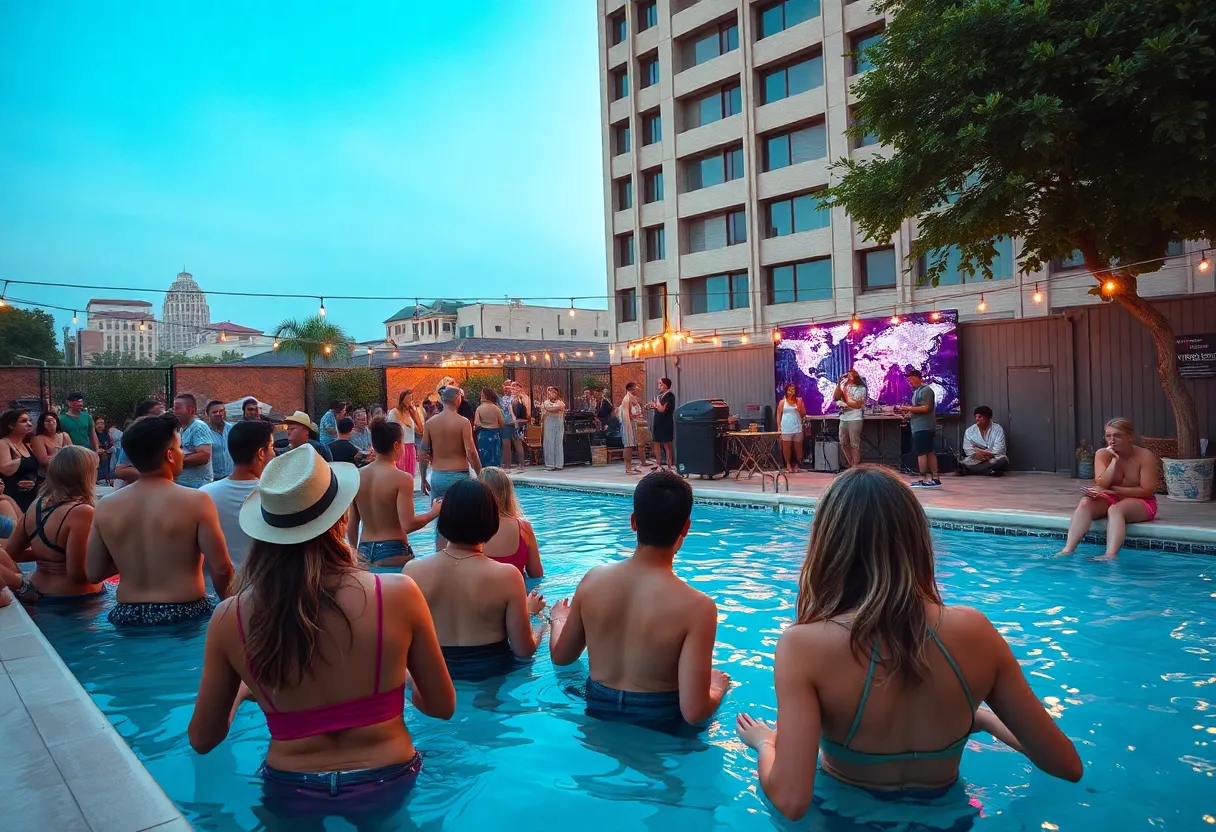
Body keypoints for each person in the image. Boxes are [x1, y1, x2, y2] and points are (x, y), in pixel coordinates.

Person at [734, 466, 1082, 819]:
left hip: (846, 821)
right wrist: (985, 719)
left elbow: (791, 801)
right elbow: (1066, 765)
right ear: (917, 539)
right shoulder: (976, 631)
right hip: (950, 822)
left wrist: (764, 742)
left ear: (828, 544)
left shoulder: (804, 645)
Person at [188, 445, 455, 809]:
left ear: (267, 527)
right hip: (387, 775)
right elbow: (441, 707)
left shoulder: (228, 617)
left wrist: (242, 690)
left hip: (290, 785)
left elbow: (203, 739)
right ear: (342, 517)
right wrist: (402, 676)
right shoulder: (397, 593)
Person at [549, 471, 730, 731]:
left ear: (633, 521)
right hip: (661, 725)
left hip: (596, 711)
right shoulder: (698, 607)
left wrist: (559, 619)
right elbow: (694, 712)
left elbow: (562, 658)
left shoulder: (593, 581)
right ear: (686, 527)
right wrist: (715, 687)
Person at [86, 413, 235, 625]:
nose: (183, 453)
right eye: (180, 447)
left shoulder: (106, 505)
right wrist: (230, 612)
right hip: (185, 614)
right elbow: (222, 568)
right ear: (170, 455)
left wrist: (129, 556)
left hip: (126, 616)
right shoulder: (195, 501)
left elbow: (94, 573)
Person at [402, 478, 545, 680]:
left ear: (444, 517)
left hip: (434, 676)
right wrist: (542, 626)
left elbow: (406, 645)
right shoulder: (508, 576)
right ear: (491, 521)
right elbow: (524, 651)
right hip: (492, 676)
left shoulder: (413, 571)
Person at [4, 446, 104, 603]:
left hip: (38, 589)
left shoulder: (36, 506)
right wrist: (118, 562)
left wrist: (50, 557)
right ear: (86, 475)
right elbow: (79, 576)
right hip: (75, 601)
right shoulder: (82, 512)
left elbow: (11, 553)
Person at [1058, 418, 1158, 560]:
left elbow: (1147, 491)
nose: (1112, 440)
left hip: (1142, 501)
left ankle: (1110, 555)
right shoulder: (1102, 454)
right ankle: (1067, 550)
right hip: (1113, 497)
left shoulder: (1145, 456)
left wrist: (1112, 492)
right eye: (1108, 436)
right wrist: (1113, 461)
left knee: (1115, 509)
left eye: (1117, 435)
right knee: (1085, 502)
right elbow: (1102, 483)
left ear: (1130, 437)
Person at [348, 420, 440, 568]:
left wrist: (353, 555)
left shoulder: (357, 476)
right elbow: (408, 524)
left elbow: (352, 524)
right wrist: (434, 512)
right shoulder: (402, 479)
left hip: (363, 550)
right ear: (396, 445)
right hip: (393, 549)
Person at [201, 420, 275, 573]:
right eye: (272, 448)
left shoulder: (205, 495)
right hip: (263, 588)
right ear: (261, 453)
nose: (274, 454)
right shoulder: (276, 495)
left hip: (214, 591)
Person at [419, 386, 481, 522]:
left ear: (442, 400)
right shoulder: (463, 422)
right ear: (458, 399)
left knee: (440, 522)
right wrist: (480, 474)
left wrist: (423, 479)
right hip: (459, 476)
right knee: (461, 522)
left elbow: (423, 453)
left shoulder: (430, 423)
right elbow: (471, 452)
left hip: (438, 476)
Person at [480, 467, 542, 576]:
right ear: (508, 493)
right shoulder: (524, 528)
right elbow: (536, 574)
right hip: (519, 591)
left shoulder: (468, 529)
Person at [896, 369, 941, 489]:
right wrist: (907, 415)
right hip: (919, 426)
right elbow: (918, 410)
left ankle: (923, 479)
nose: (909, 382)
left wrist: (908, 408)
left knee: (921, 453)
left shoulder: (926, 390)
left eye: (910, 379)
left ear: (916, 377)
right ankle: (935, 478)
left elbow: (926, 408)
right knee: (929, 451)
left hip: (923, 427)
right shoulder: (916, 391)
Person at [112, 399, 166, 487]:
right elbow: (120, 470)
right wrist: (153, 476)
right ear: (145, 417)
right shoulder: (135, 436)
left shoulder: (163, 435)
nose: (161, 418)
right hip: (135, 490)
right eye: (158, 414)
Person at [0, 409, 41, 513]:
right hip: (12, 498)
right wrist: (21, 461)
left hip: (30, 496)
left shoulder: (26, 445)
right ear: (11, 425)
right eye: (23, 421)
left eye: (29, 420)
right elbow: (5, 469)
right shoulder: (4, 444)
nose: (29, 424)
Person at [174, 392, 214, 488]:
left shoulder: (199, 427)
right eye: (174, 408)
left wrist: (176, 460)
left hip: (198, 485)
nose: (174, 411)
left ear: (191, 410)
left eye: (177, 408)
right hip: (183, 485)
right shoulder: (180, 429)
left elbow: (204, 456)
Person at [958, 406, 1009, 476]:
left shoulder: (997, 429)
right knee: (963, 463)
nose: (977, 419)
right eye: (975, 417)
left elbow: (999, 448)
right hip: (976, 459)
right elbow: (967, 448)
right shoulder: (969, 431)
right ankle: (989, 471)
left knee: (1001, 461)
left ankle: (972, 471)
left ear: (988, 418)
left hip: (993, 458)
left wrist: (987, 454)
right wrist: (975, 455)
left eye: (980, 417)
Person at [833, 369, 867, 469]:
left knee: (854, 443)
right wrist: (839, 383)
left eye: (851, 375)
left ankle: (855, 465)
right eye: (848, 375)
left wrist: (845, 404)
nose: (849, 377)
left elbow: (857, 404)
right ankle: (851, 463)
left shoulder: (861, 388)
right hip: (844, 417)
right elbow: (835, 397)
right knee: (843, 442)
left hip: (855, 417)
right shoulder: (844, 386)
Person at [387, 389, 425, 477]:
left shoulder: (411, 413)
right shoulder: (394, 412)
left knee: (410, 474)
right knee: (400, 473)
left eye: (411, 399)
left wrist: (415, 414)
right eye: (407, 398)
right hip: (400, 445)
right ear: (402, 399)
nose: (409, 401)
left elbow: (420, 430)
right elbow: (392, 430)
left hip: (410, 445)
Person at [644, 378, 676, 471]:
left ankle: (669, 464)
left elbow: (662, 409)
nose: (658, 386)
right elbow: (659, 407)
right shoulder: (660, 396)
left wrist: (656, 403)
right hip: (658, 421)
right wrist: (652, 406)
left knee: (667, 443)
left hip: (666, 422)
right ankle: (659, 464)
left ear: (665, 386)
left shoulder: (669, 396)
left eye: (660, 384)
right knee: (656, 442)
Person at [777, 384, 807, 474]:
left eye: (793, 390)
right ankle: (788, 464)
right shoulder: (782, 402)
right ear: (786, 391)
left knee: (798, 447)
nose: (791, 392)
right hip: (786, 427)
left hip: (797, 426)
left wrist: (799, 406)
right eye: (789, 390)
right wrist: (779, 427)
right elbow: (779, 415)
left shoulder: (799, 400)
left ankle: (797, 464)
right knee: (786, 447)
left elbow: (803, 415)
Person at [31, 410, 70, 478]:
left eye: (53, 420)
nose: (51, 423)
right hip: (47, 476)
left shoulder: (64, 435)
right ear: (42, 423)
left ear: (57, 421)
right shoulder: (38, 439)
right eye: (47, 421)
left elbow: (72, 455)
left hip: (66, 474)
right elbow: (43, 460)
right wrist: (64, 456)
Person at [618, 381, 646, 475]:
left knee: (630, 446)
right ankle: (628, 468)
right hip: (628, 425)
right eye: (637, 388)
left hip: (631, 424)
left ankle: (629, 467)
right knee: (628, 446)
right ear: (633, 389)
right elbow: (626, 415)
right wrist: (629, 428)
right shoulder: (627, 399)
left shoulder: (631, 398)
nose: (638, 389)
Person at [475, 387, 505, 468]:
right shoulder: (496, 409)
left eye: (482, 395)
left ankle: (484, 474)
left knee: (484, 456)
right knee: (495, 455)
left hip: (483, 435)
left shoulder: (479, 409)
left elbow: (476, 423)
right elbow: (502, 423)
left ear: (486, 396)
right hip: (494, 434)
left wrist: (481, 425)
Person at [206, 400, 234, 480]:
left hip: (232, 477)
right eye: (215, 412)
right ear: (208, 414)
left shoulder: (233, 429)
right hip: (214, 478)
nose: (219, 414)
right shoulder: (205, 432)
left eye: (221, 411)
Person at [541, 387, 566, 471]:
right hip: (549, 426)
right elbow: (547, 408)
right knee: (549, 443)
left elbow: (561, 407)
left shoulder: (560, 402)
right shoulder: (545, 403)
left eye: (554, 392)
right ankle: (550, 464)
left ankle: (559, 464)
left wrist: (555, 409)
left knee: (558, 443)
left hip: (558, 426)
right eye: (551, 392)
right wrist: (554, 409)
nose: (552, 394)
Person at [95, 416, 115, 484]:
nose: (100, 425)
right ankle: (100, 477)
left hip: (106, 453)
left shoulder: (107, 434)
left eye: (102, 423)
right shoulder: (93, 434)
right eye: (98, 423)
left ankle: (108, 476)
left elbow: (110, 445)